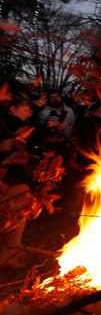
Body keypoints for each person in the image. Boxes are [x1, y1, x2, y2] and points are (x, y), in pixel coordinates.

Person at [0, 97, 36, 267]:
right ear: (12, 108)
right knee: (13, 218)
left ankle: (10, 254)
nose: (28, 113)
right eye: (25, 108)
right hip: (11, 182)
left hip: (12, 180)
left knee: (11, 219)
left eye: (30, 110)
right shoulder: (10, 124)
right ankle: (9, 256)